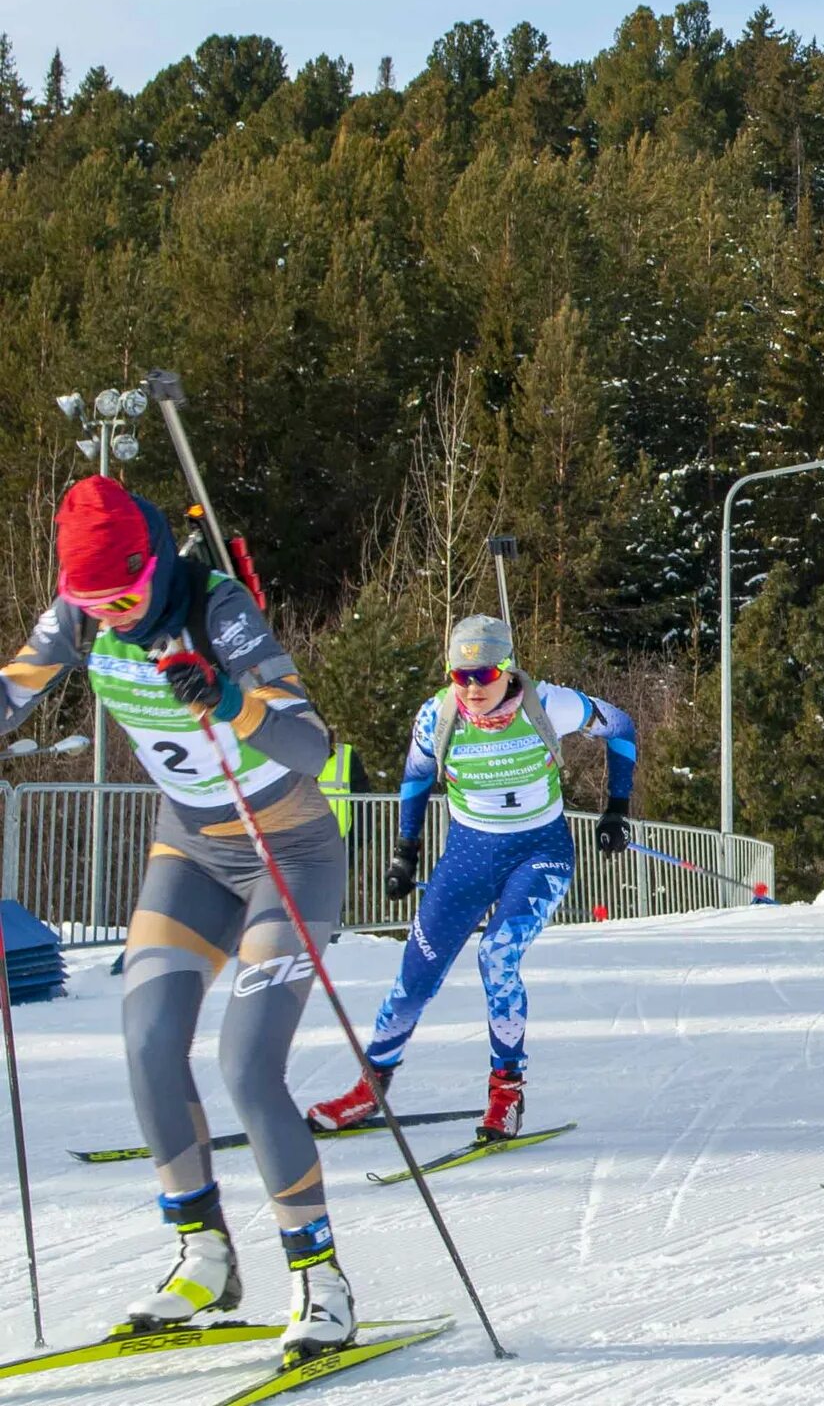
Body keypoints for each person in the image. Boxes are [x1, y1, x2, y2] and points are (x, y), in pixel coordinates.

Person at [0, 477, 358, 1357]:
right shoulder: (78, 617)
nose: (113, 617)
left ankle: (321, 1278)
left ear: (153, 564)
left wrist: (230, 698)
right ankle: (204, 1254)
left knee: (246, 1063)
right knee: (149, 1036)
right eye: (93, 603)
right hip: (192, 849)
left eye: (124, 596)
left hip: (289, 852)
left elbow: (313, 743)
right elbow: (13, 685)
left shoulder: (216, 606)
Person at [307, 615, 636, 1144]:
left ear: (507, 669)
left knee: (497, 955)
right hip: (466, 854)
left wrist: (617, 806)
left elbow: (619, 725)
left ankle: (507, 1091)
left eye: (483, 675)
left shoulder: (550, 704)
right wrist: (405, 851)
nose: (472, 688)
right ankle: (370, 1089)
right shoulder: (436, 716)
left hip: (539, 852)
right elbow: (415, 777)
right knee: (415, 976)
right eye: (460, 676)